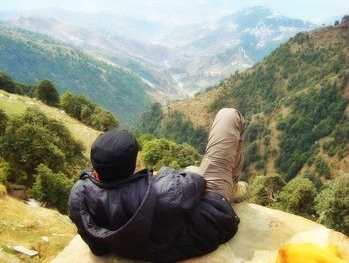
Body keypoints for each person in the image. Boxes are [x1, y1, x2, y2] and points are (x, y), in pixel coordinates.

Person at [68, 108, 247, 262]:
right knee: (228, 116)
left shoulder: (79, 197)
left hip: (149, 242)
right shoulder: (162, 191)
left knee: (194, 168)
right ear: (133, 165)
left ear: (96, 171)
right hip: (212, 218)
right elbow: (198, 183)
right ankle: (232, 188)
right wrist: (161, 174)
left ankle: (230, 185)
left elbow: (99, 249)